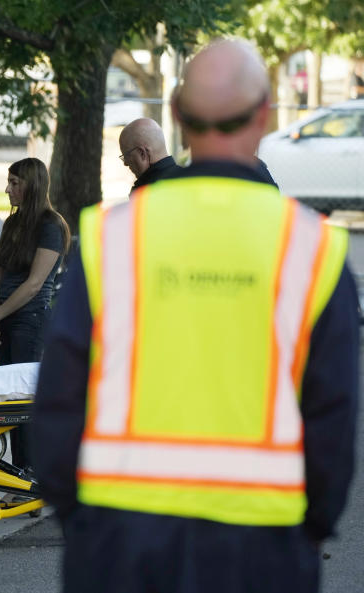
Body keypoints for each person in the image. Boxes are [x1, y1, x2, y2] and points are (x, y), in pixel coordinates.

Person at [32, 39, 358, 593]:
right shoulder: (314, 250)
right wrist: (308, 531)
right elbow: (333, 417)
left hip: (119, 539)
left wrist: (81, 522)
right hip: (264, 543)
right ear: (265, 115)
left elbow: (60, 396)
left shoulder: (111, 239)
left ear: (178, 118)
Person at [0, 158, 68, 476]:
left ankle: (32, 472)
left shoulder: (51, 226)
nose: (8, 189)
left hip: (30, 321)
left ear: (32, 185)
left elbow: (33, 286)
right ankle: (21, 471)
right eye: (9, 181)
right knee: (10, 400)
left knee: (24, 400)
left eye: (15, 182)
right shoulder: (12, 224)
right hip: (4, 322)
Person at [118, 117, 180, 194]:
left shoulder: (143, 193)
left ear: (142, 153)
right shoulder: (192, 178)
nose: (125, 163)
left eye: (127, 156)